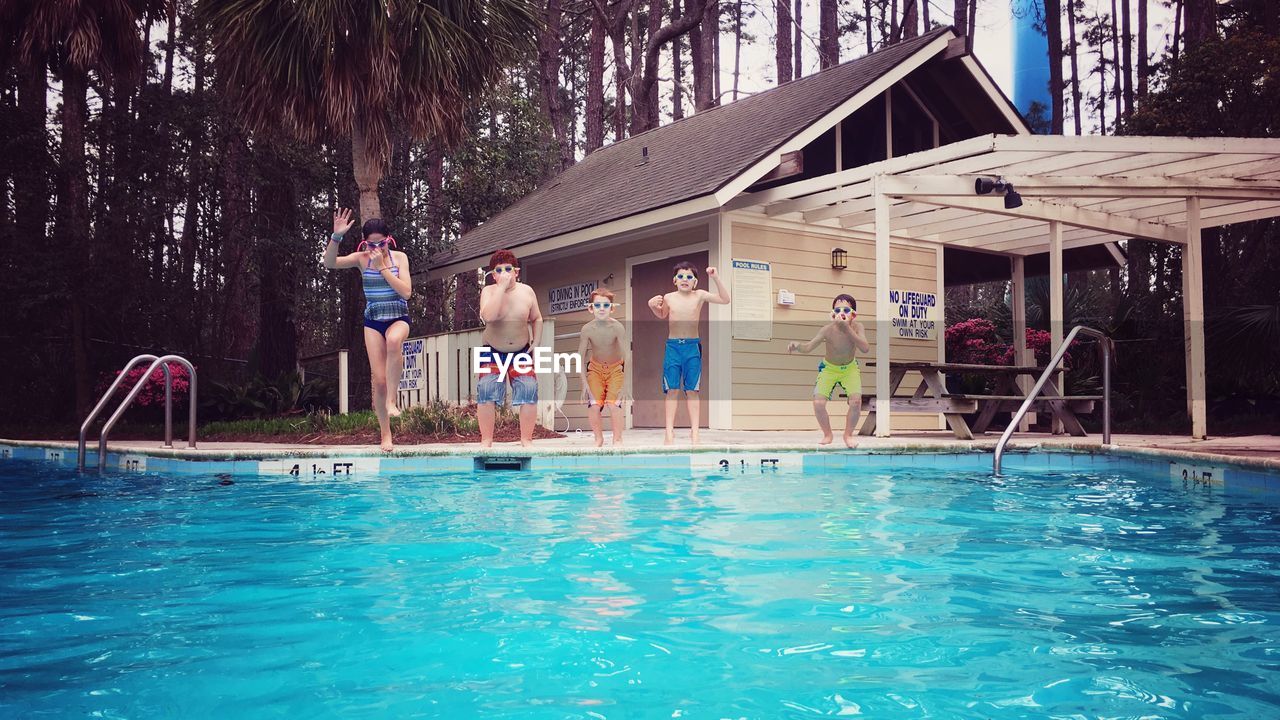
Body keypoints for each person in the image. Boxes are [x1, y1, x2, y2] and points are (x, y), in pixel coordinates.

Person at [324, 209, 412, 452]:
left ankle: (393, 401)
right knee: (379, 381)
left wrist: (382, 267)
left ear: (389, 240)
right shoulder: (361, 259)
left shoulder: (399, 258)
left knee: (395, 341)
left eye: (381, 243)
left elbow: (406, 292)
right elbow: (329, 263)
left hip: (398, 316)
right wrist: (336, 236)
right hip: (373, 320)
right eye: (371, 244)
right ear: (365, 243)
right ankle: (386, 434)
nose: (377, 248)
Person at [647, 261, 731, 445]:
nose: (685, 279)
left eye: (689, 277)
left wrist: (716, 277)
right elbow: (662, 314)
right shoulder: (669, 297)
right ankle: (669, 433)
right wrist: (652, 305)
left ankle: (695, 433)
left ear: (695, 282)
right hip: (673, 347)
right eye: (681, 276)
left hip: (692, 348)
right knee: (672, 390)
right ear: (674, 280)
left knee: (692, 390)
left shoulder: (699, 295)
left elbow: (725, 299)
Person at [476, 249, 544, 447]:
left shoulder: (527, 291)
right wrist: (501, 288)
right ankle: (486, 440)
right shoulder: (488, 292)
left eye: (508, 269)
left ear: (516, 271)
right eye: (499, 270)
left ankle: (526, 440)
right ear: (493, 275)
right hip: (491, 350)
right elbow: (488, 316)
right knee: (486, 391)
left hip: (521, 350)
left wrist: (536, 342)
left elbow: (537, 318)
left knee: (529, 390)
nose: (504, 273)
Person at [788, 293, 871, 448]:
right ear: (832, 314)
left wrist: (847, 330)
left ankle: (848, 435)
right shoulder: (827, 330)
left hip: (850, 369)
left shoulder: (857, 327)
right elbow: (808, 347)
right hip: (829, 368)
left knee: (856, 401)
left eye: (846, 310)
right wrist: (797, 346)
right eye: (837, 310)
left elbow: (865, 348)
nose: (841, 313)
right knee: (818, 403)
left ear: (853, 314)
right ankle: (828, 434)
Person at [577, 288, 627, 447]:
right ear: (591, 308)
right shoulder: (587, 329)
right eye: (597, 305)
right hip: (596, 369)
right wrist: (584, 383)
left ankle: (617, 439)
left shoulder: (617, 327)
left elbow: (628, 356)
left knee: (614, 404)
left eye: (606, 305)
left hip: (615, 369)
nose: (602, 309)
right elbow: (580, 356)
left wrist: (626, 385)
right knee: (594, 404)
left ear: (612, 308)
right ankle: (598, 438)